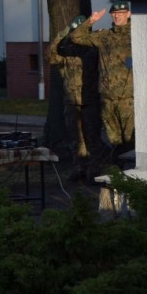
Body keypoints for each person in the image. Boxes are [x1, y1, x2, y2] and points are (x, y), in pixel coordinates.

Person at [67, 0, 134, 157]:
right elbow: (76, 38)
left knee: (131, 140)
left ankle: (132, 176)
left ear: (128, 14)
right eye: (114, 13)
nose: (117, 16)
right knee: (114, 141)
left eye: (121, 13)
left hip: (128, 98)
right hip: (107, 97)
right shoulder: (104, 36)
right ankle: (119, 175)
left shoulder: (136, 34)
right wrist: (91, 21)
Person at [51, 17, 106, 182]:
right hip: (71, 100)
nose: (74, 34)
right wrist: (62, 34)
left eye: (77, 30)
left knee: (92, 137)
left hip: (89, 100)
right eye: (72, 30)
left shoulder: (93, 48)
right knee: (76, 138)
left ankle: (94, 170)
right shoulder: (66, 50)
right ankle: (79, 168)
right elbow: (52, 56)